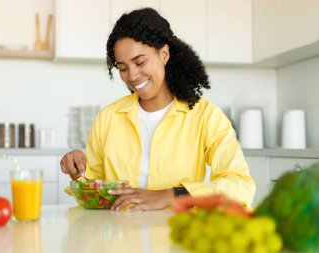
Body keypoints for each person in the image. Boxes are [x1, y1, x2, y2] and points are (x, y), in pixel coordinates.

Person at [60, 7, 255, 211]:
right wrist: (78, 173)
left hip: (176, 235)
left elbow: (241, 185)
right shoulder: (108, 118)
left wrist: (173, 195)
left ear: (164, 54)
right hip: (121, 238)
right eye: (123, 68)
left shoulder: (205, 116)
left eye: (140, 62)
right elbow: (94, 193)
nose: (132, 76)